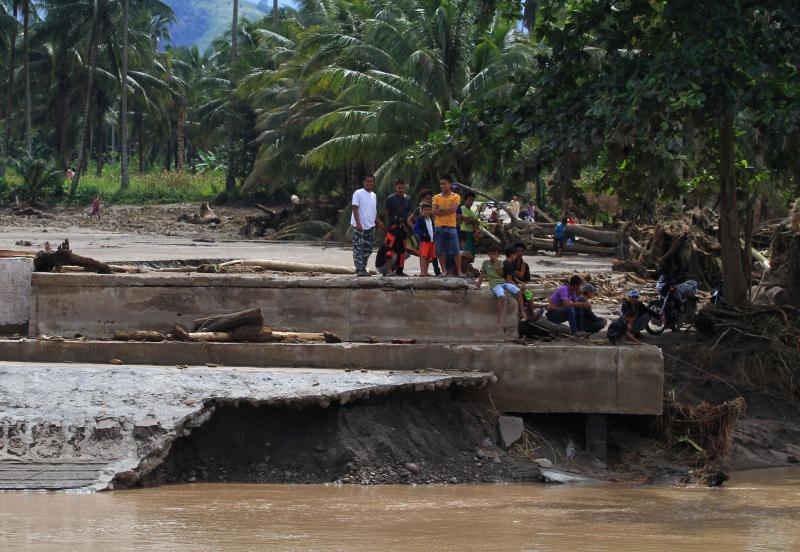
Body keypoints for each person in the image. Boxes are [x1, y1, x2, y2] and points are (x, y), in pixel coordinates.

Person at [477, 245, 527, 324]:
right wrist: (478, 286)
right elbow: (510, 278)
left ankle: (524, 312)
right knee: (503, 296)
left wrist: (521, 283)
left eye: (496, 254)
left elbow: (504, 275)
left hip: (509, 284)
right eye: (492, 254)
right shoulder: (487, 263)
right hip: (498, 284)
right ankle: (500, 320)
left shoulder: (520, 263)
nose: (494, 256)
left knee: (523, 293)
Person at [351, 175, 384, 277]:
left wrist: (379, 222)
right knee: (358, 248)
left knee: (368, 248)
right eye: (367, 181)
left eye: (371, 182)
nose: (369, 183)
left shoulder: (374, 195)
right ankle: (359, 269)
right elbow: (354, 208)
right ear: (363, 182)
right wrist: (358, 223)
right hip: (359, 226)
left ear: (374, 183)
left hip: (370, 226)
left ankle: (363, 268)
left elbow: (374, 210)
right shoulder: (358, 193)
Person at [432, 176, 463, 277]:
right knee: (440, 250)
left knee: (456, 250)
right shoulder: (436, 197)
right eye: (441, 184)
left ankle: (459, 271)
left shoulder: (456, 196)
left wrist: (441, 209)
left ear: (450, 184)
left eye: (444, 183)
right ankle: (444, 271)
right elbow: (434, 211)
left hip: (451, 226)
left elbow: (454, 209)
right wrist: (446, 210)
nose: (442, 186)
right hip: (439, 226)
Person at [408, 188, 441, 276]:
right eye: (427, 198)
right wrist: (416, 230)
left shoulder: (432, 209)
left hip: (432, 236)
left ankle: (431, 271)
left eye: (430, 198)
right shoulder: (419, 210)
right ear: (422, 199)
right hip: (422, 237)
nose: (429, 200)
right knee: (423, 254)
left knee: (432, 254)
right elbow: (409, 220)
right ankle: (423, 271)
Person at [383, 179, 412, 276]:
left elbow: (408, 214)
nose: (401, 189)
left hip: (402, 229)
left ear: (405, 188)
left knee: (402, 251)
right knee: (389, 250)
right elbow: (386, 213)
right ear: (395, 187)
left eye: (403, 188)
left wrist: (407, 227)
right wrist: (388, 226)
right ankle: (388, 270)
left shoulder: (408, 199)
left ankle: (400, 270)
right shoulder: (390, 199)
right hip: (392, 229)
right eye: (399, 187)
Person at [414, 202, 437, 277]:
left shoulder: (431, 220)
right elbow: (416, 229)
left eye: (428, 209)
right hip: (424, 241)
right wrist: (422, 234)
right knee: (423, 256)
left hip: (431, 241)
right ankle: (422, 272)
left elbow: (432, 229)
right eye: (425, 209)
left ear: (430, 210)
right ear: (422, 210)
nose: (427, 211)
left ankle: (426, 272)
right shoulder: (420, 219)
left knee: (428, 257)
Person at [460, 192, 480, 269]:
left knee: (472, 252)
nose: (470, 202)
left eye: (472, 200)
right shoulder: (462, 209)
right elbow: (466, 221)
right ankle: (464, 269)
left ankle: (467, 268)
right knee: (466, 252)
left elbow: (476, 222)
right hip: (465, 233)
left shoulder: (472, 211)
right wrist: (473, 220)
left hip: (472, 233)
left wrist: (473, 221)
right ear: (465, 200)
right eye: (469, 200)